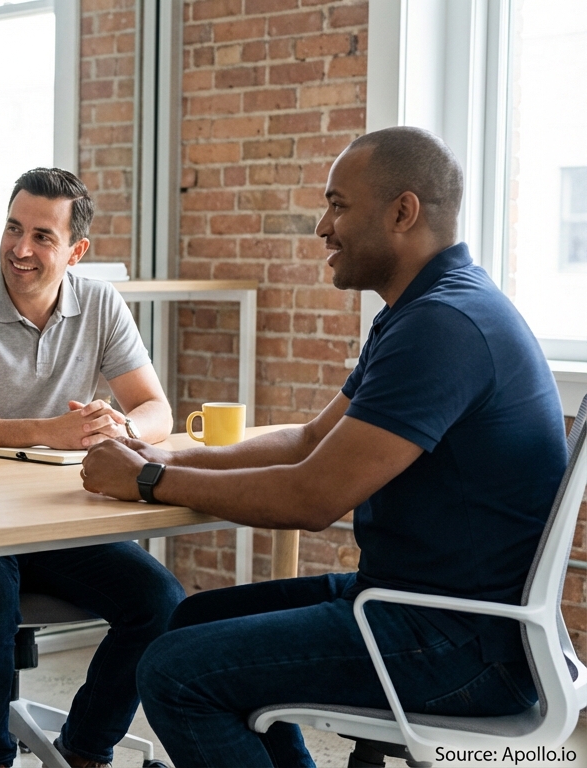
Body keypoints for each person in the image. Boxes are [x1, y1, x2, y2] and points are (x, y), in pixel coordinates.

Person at [82, 126, 564, 767]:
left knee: (176, 671)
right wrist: (167, 457)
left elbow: (312, 497)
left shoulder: (441, 327)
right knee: (186, 622)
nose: (322, 227)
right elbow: (311, 438)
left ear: (403, 211)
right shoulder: (421, 310)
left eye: (339, 205)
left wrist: (144, 484)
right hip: (420, 606)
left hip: (457, 641)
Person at [0, 167, 185, 768]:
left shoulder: (100, 304)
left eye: (42, 236)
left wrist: (123, 429)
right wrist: (48, 431)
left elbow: (156, 406)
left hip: (58, 521)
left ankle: (85, 748)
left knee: (161, 601)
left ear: (77, 250)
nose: (20, 249)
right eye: (13, 228)